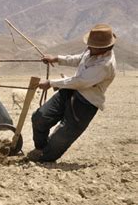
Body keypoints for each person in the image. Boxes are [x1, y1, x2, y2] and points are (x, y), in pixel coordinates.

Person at [28, 24, 117, 162]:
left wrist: (51, 83)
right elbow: (78, 59)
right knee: (40, 117)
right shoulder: (92, 52)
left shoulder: (105, 65)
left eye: (92, 46)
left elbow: (80, 82)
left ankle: (46, 156)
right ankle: (40, 149)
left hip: (86, 103)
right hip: (69, 92)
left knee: (60, 138)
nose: (88, 47)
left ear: (103, 48)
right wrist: (56, 59)